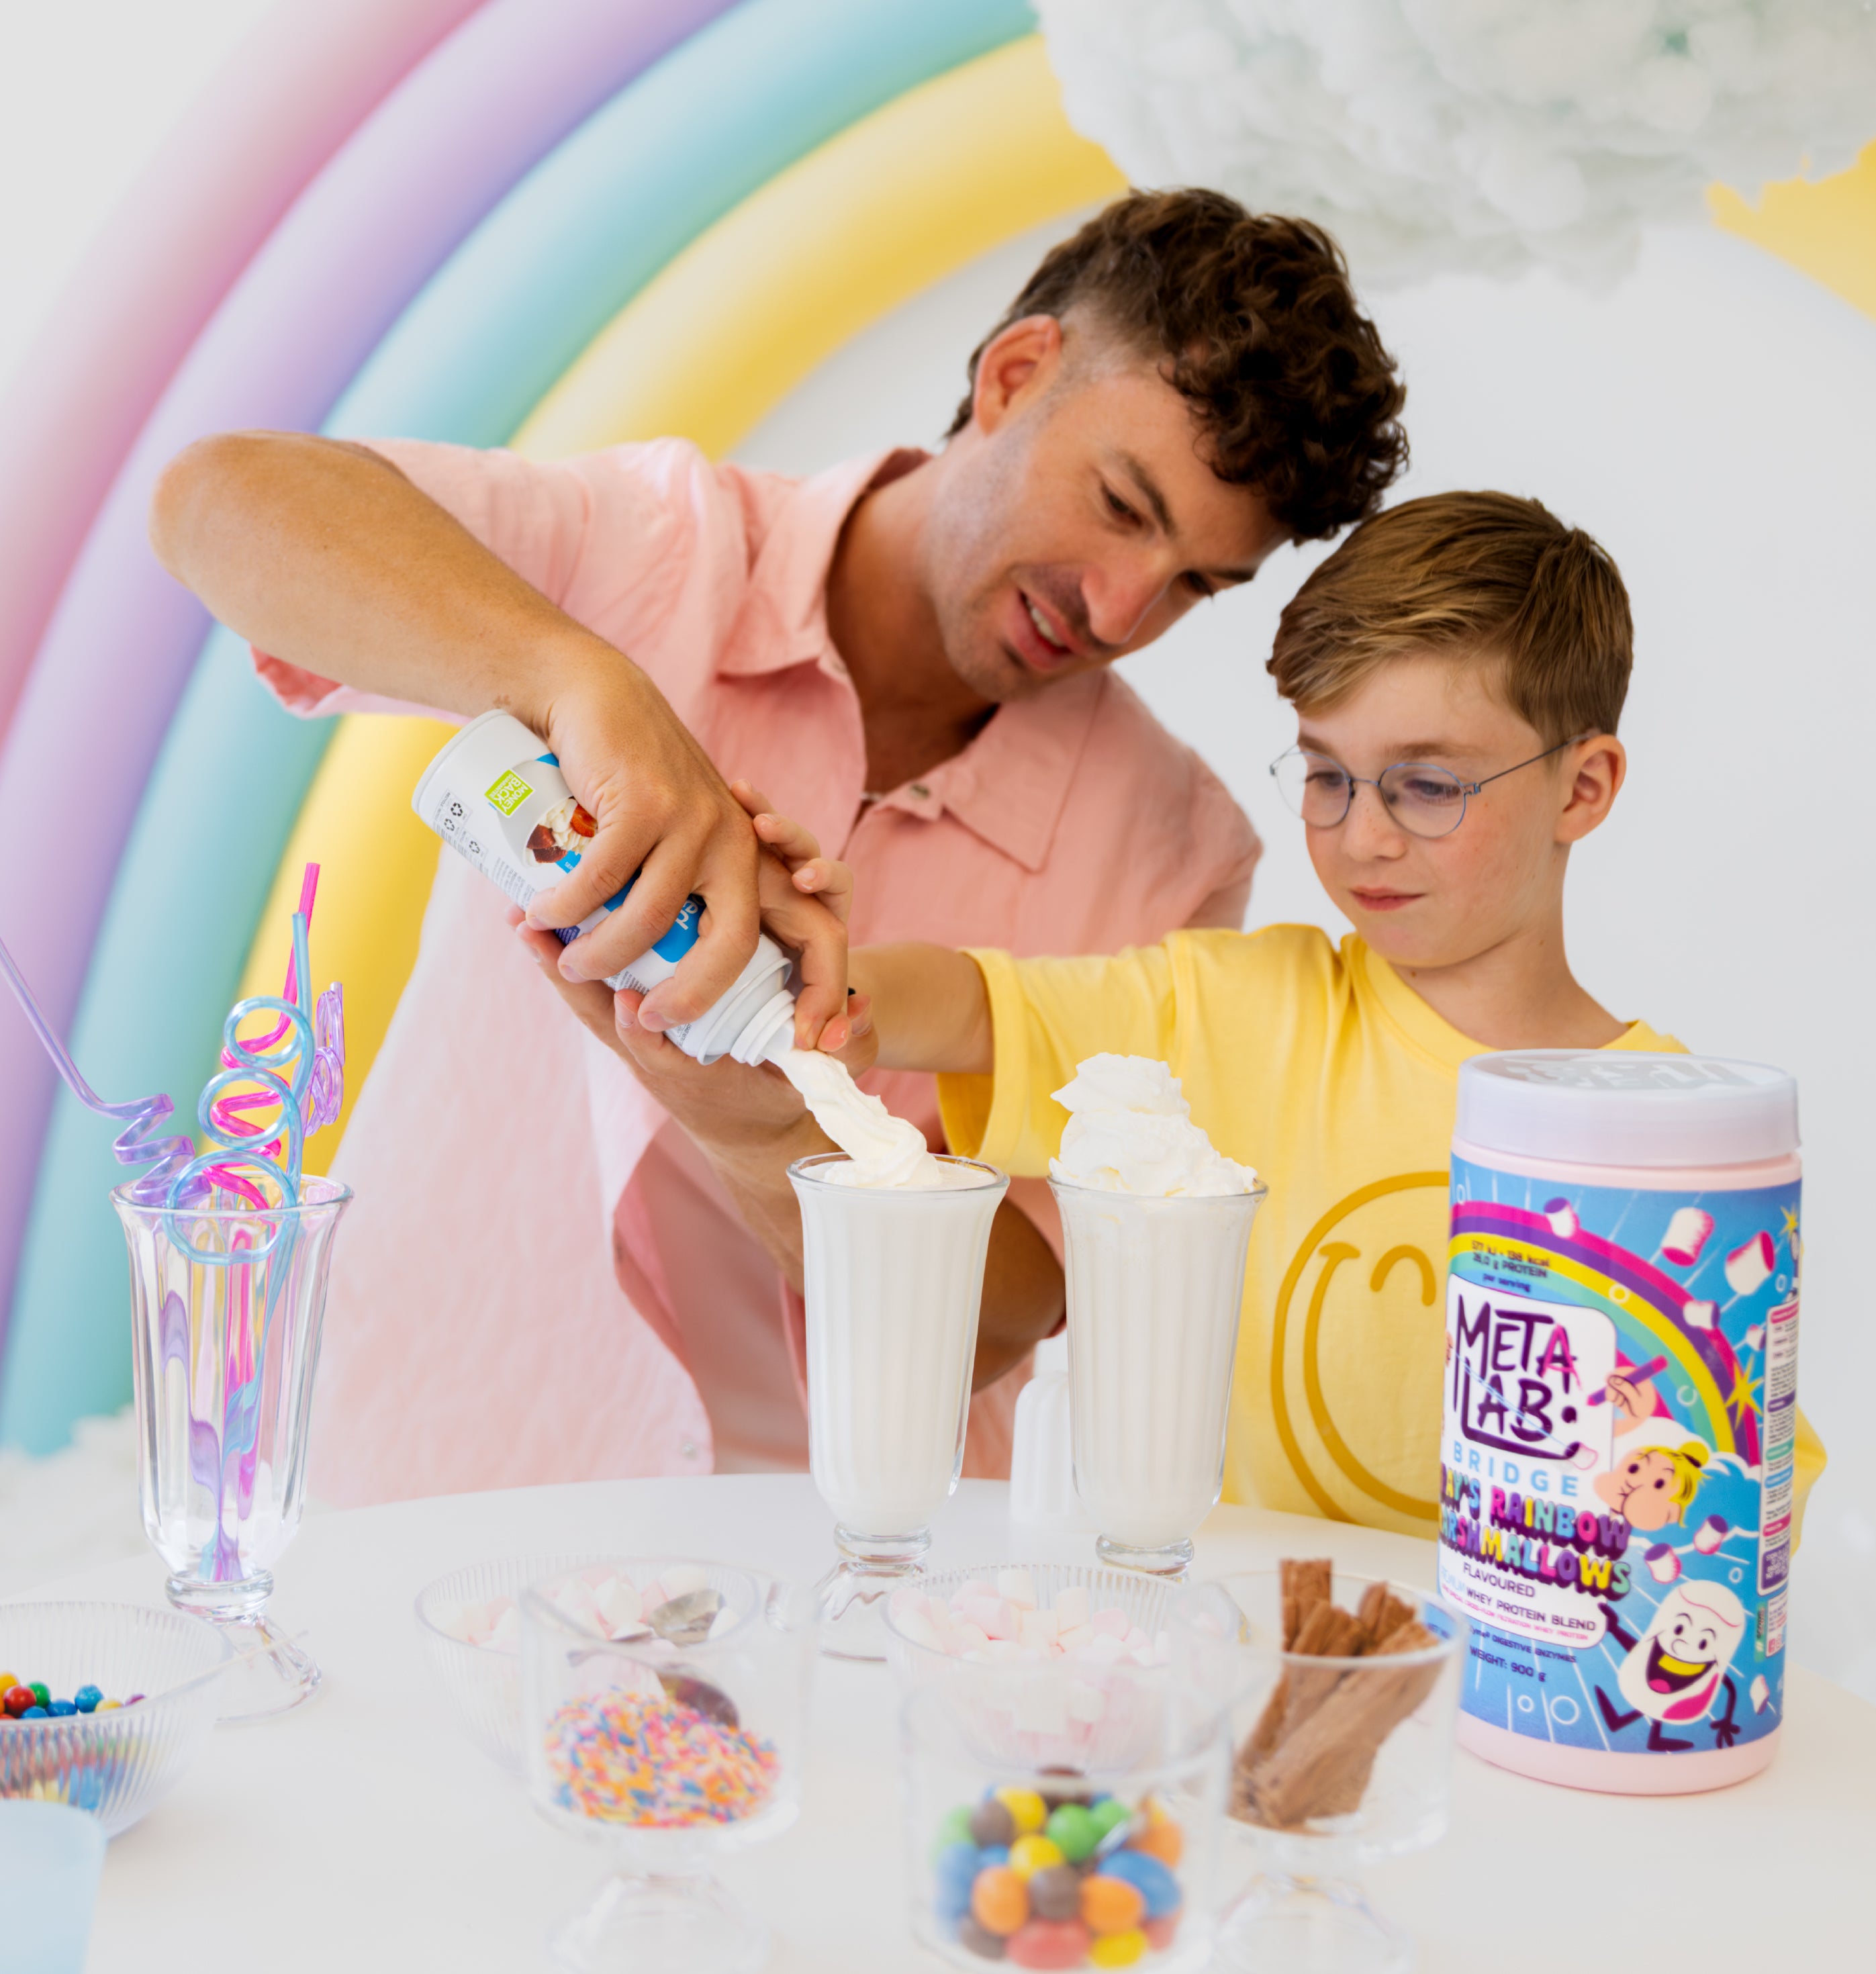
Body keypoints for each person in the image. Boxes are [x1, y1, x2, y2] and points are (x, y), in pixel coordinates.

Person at [148, 189, 1407, 1499]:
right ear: (1015, 374)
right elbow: (218, 498)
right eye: (1121, 505)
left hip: (843, 1560)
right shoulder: (651, 547)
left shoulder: (1175, 850)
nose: (1121, 610)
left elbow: (997, 1324)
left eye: (1197, 583)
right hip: (442, 1476)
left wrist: (767, 1137)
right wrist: (585, 682)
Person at [537, 490, 1826, 1536]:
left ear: (1584, 788)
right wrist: (826, 980)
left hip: (1512, 1691)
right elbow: (980, 1003)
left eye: (1428, 786)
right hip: (1225, 1671)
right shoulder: (1238, 1006)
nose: (1362, 837)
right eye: (1326, 776)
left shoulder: (1680, 1143)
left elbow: (1731, 1488)